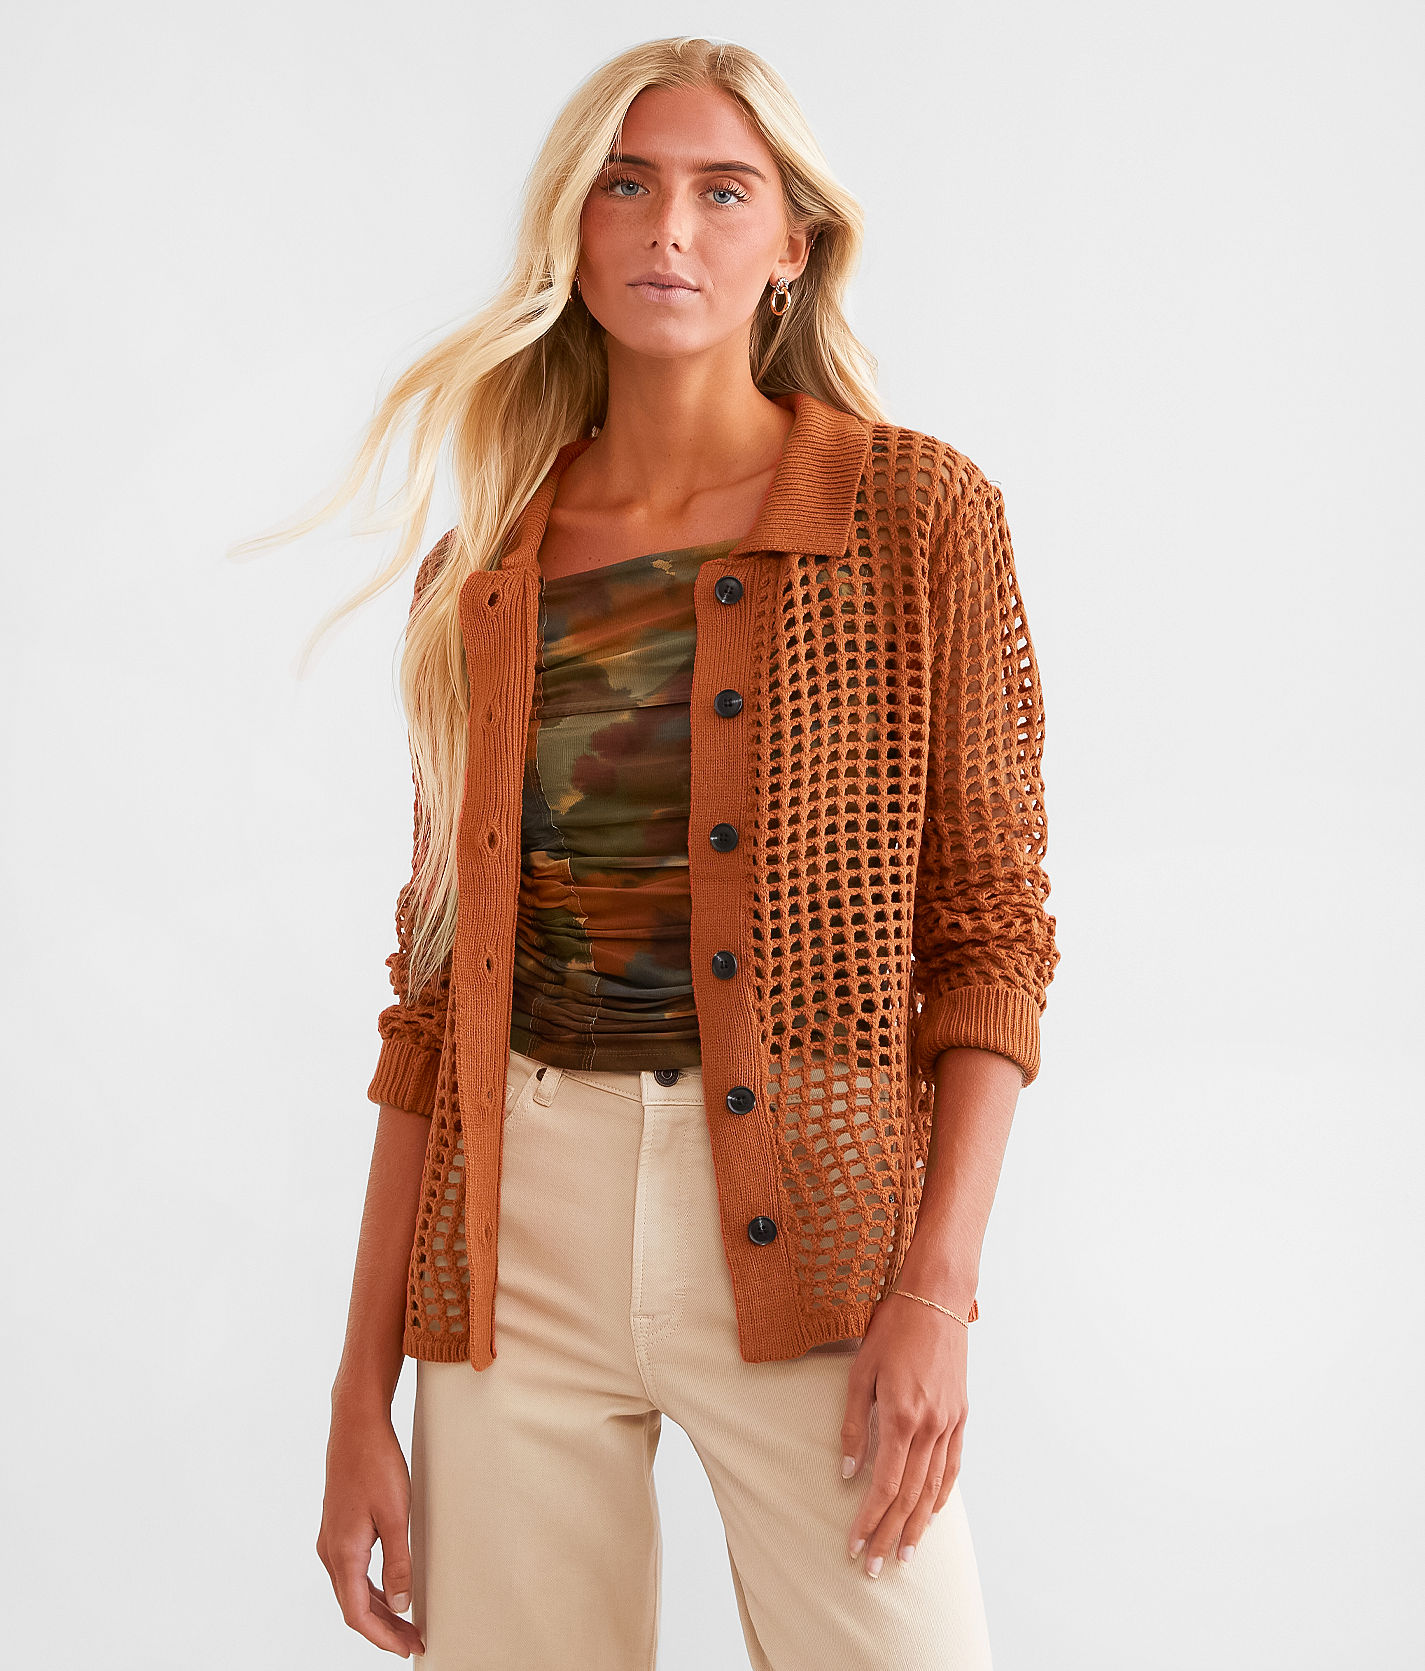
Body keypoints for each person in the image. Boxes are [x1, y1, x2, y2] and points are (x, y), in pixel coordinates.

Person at [282, 35, 1058, 1669]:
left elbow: (990, 934)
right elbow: (431, 1000)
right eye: (625, 186)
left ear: (792, 245)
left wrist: (935, 1293)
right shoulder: (484, 571)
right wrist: (364, 1392)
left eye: (722, 191)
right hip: (517, 1243)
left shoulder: (915, 516)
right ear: (571, 228)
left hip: (814, 1227)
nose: (668, 228)